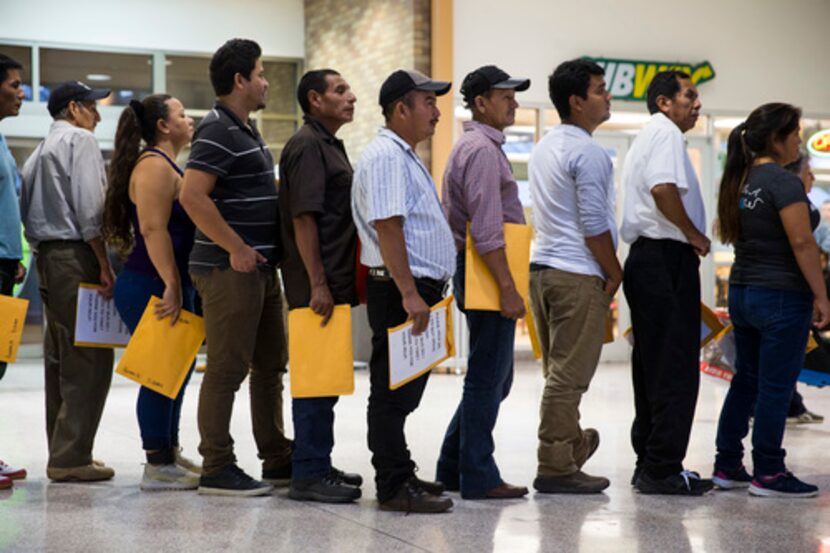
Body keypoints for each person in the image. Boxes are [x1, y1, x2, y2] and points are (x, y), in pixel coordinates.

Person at [179, 38, 292, 496]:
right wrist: (236, 248)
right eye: (261, 74)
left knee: (271, 365)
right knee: (228, 369)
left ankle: (277, 456)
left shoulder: (244, 128)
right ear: (240, 80)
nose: (266, 82)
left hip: (260, 269)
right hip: (230, 270)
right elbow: (192, 195)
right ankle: (217, 466)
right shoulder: (217, 129)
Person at [713, 102, 830, 497]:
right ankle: (769, 472)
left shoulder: (741, 179)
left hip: (744, 293)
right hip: (781, 297)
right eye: (795, 132)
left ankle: (727, 464)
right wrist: (821, 295)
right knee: (775, 386)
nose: (799, 139)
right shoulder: (783, 183)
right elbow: (802, 243)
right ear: (777, 138)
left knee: (745, 381)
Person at [352, 69, 455, 513]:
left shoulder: (402, 154)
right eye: (427, 103)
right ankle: (393, 485)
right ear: (400, 109)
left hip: (410, 288)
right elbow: (388, 226)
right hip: (400, 291)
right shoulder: (388, 157)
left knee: (402, 393)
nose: (436, 111)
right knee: (392, 396)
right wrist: (411, 293)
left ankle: (402, 471)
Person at [436, 65, 529, 500]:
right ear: (480, 103)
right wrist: (508, 288)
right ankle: (477, 474)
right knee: (487, 377)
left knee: (495, 378)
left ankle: (453, 466)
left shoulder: (478, 146)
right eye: (504, 95)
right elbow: (487, 230)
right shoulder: (482, 151)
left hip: (481, 270)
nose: (513, 102)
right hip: (485, 272)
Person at [528, 59, 620, 494]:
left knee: (557, 372)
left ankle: (570, 446)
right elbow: (593, 225)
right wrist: (614, 270)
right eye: (600, 90)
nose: (608, 97)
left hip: (544, 269)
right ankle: (556, 465)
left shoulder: (546, 145)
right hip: (576, 274)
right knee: (569, 376)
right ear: (576, 101)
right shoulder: (589, 152)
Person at [620, 70, 713, 495]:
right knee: (674, 367)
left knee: (653, 367)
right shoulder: (667, 135)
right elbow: (662, 189)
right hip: (664, 258)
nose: (697, 104)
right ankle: (662, 467)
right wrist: (693, 234)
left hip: (649, 259)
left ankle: (651, 463)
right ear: (663, 102)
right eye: (689, 96)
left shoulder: (650, 135)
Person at [102, 94, 201, 491]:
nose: (188, 117)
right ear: (163, 125)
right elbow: (152, 230)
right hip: (152, 282)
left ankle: (169, 451)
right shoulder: (154, 166)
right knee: (160, 374)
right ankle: (156, 464)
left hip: (169, 281)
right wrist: (173, 285)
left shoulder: (168, 164)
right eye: (181, 113)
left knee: (176, 370)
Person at [20, 80, 116, 482]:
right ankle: (72, 456)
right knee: (90, 358)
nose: (97, 115)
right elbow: (90, 208)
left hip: (46, 256)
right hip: (76, 256)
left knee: (60, 358)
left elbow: (25, 212)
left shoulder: (37, 153)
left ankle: (63, 451)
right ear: (74, 109)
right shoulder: (80, 141)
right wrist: (103, 263)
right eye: (92, 107)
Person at [278, 69, 362, 503]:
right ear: (315, 99)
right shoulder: (308, 145)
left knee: (325, 380)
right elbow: (303, 218)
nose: (350, 97)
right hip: (317, 284)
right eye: (340, 90)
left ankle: (318, 462)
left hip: (332, 280)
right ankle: (308, 472)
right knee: (315, 381)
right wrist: (318, 284)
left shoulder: (327, 143)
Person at [0, 53, 28, 489]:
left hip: (6, 265)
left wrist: (14, 254)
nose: (22, 92)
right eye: (13, 85)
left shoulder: (2, 138)